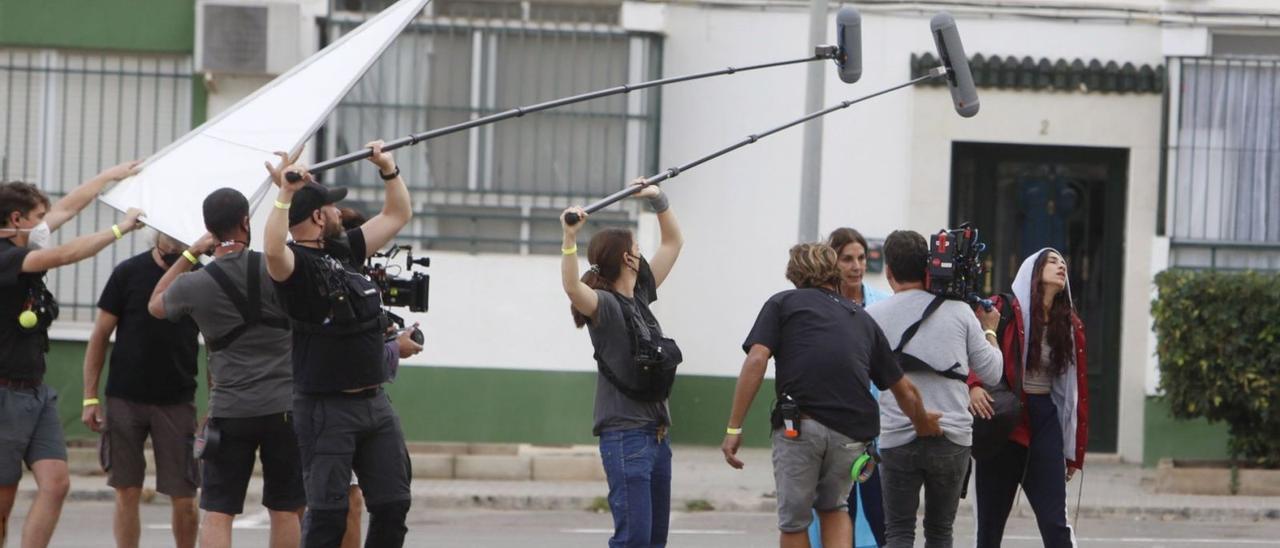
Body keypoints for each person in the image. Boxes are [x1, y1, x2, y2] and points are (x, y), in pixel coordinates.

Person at [721, 243, 941, 548]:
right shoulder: (861, 318)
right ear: (834, 271)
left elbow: (757, 359)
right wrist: (922, 422)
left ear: (794, 274)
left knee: (794, 522)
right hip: (851, 434)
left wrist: (734, 427)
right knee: (835, 507)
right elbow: (903, 388)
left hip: (800, 427)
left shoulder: (783, 304)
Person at [263, 142, 414, 547]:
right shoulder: (294, 268)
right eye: (331, 207)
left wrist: (387, 168)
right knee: (328, 517)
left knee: (393, 505)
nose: (337, 212)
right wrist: (285, 194)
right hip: (326, 410)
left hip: (374, 404)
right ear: (317, 216)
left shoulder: (343, 250)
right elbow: (273, 248)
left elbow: (397, 213)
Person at [148, 188, 305, 548]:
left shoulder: (194, 284)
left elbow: (155, 304)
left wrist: (189, 253)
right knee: (285, 508)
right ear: (246, 222)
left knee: (218, 511)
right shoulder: (276, 266)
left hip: (231, 409)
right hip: (285, 406)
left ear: (209, 229)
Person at [0, 161, 145, 548]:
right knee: (3, 499)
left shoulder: (25, 239)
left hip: (36, 391)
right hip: (4, 394)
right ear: (16, 219)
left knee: (56, 483)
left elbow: (68, 208)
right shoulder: (6, 257)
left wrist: (110, 175)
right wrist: (120, 228)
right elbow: (64, 255)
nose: (47, 222)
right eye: (38, 217)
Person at [558, 180, 683, 548]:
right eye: (637, 249)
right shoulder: (605, 306)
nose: (642, 254)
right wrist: (569, 239)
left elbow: (674, 243)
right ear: (627, 258)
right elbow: (571, 289)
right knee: (634, 541)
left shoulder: (641, 296)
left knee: (653, 541)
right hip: (627, 437)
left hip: (658, 437)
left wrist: (658, 198)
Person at [866, 230, 1003, 548]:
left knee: (898, 532)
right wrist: (990, 330)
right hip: (951, 435)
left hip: (897, 435)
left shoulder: (872, 317)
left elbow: (862, 377)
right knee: (940, 532)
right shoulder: (958, 312)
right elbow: (993, 373)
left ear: (889, 272)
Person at [82, 232, 201, 548]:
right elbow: (100, 335)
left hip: (177, 399)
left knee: (185, 497)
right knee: (127, 491)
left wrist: (216, 406)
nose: (177, 242)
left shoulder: (201, 276)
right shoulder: (128, 272)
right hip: (124, 397)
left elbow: (219, 342)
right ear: (157, 233)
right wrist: (90, 397)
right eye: (170, 234)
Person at [970, 248, 1088, 548]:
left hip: (1044, 420)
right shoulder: (1002, 309)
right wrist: (972, 384)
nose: (1061, 266)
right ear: (1033, 271)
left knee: (1055, 524)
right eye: (1052, 261)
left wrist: (1074, 449)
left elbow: (1074, 391)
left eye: (1064, 262)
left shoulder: (1069, 325)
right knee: (989, 527)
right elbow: (968, 344)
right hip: (1002, 419)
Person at [809, 227, 890, 548]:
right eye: (847, 259)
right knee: (836, 507)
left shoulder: (883, 305)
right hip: (833, 424)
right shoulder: (818, 307)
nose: (856, 266)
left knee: (880, 513)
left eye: (861, 258)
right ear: (833, 261)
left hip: (878, 426)